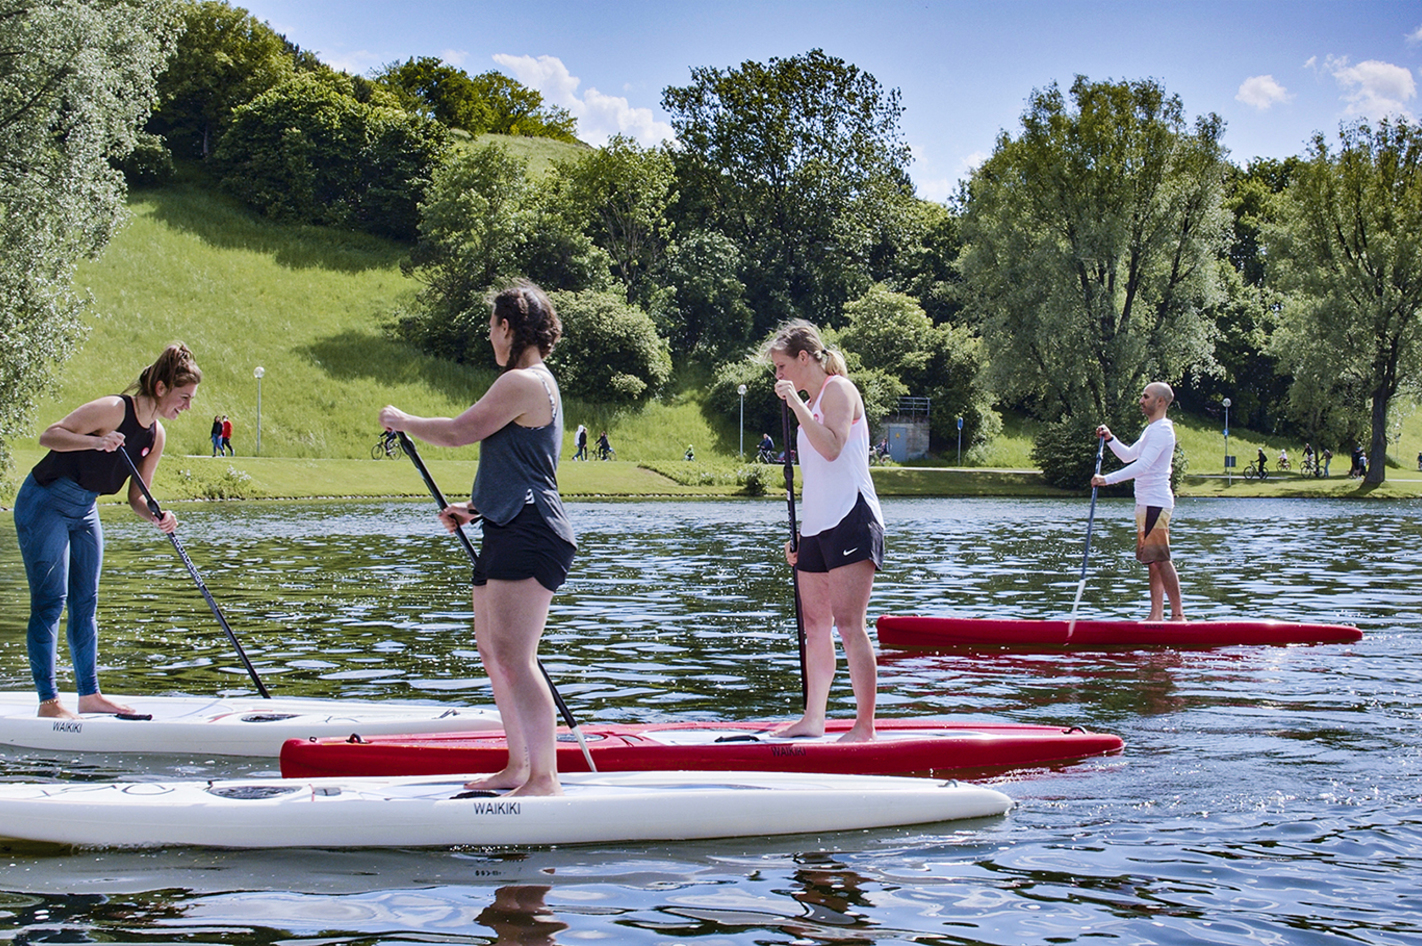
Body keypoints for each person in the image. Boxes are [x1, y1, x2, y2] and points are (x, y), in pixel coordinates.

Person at [378, 281, 575, 797]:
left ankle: (545, 778)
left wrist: (404, 421)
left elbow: (461, 431)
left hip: (532, 530)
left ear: (508, 327)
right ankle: (517, 766)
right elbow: (518, 461)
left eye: (492, 328)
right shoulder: (531, 383)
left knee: (515, 654)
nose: (490, 338)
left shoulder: (523, 381)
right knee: (493, 649)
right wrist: (476, 508)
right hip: (507, 522)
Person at [14, 343, 201, 719]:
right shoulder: (115, 409)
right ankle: (48, 702)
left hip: (84, 510)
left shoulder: (155, 435)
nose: (188, 406)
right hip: (44, 502)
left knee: (85, 603)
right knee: (51, 600)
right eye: (184, 397)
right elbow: (49, 436)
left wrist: (157, 516)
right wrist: (96, 442)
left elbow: (137, 496)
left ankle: (89, 696)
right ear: (161, 388)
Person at [766, 319, 883, 743]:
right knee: (814, 625)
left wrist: (796, 404)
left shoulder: (837, 390)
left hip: (853, 517)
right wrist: (800, 535)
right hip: (817, 526)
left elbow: (833, 448)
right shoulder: (812, 402)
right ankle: (814, 720)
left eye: (781, 367)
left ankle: (864, 728)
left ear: (803, 358)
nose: (777, 376)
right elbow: (814, 475)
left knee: (849, 623)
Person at [1093, 382, 1185, 622]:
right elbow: (1128, 456)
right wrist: (1110, 438)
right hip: (1145, 503)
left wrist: (1106, 480)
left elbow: (1143, 467)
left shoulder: (1163, 430)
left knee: (1161, 559)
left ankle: (1178, 616)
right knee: (1152, 561)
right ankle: (1156, 615)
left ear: (1160, 402)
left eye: (1146, 397)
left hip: (1156, 501)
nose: (1141, 400)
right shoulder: (1151, 430)